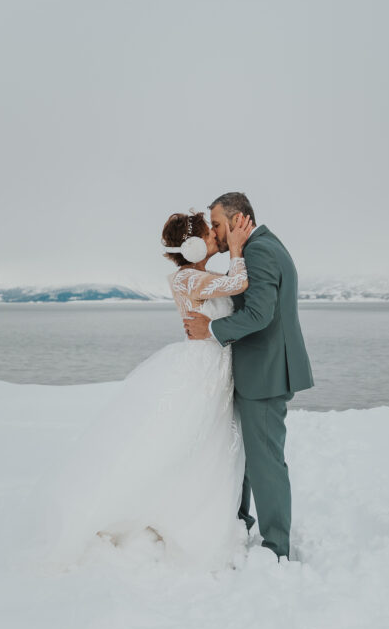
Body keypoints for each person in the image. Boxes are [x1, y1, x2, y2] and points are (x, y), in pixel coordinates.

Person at [46, 209, 254, 572]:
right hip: (202, 369)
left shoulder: (197, 276)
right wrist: (237, 247)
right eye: (208, 234)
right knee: (190, 439)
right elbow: (238, 284)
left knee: (208, 441)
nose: (212, 238)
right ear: (191, 246)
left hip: (214, 367)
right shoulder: (188, 279)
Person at [184, 192, 314, 561]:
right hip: (259, 371)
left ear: (239, 220)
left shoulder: (260, 251)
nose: (214, 232)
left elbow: (259, 314)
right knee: (245, 457)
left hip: (267, 373)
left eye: (217, 224)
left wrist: (211, 329)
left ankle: (276, 548)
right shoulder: (258, 247)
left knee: (265, 462)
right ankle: (240, 522)